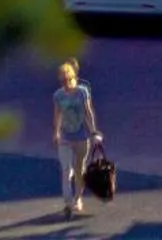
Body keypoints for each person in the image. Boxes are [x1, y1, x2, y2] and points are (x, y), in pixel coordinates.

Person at [50, 59, 101, 218]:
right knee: (66, 170)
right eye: (62, 81)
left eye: (68, 80)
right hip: (65, 138)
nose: (66, 84)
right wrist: (56, 132)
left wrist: (93, 131)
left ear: (74, 78)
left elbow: (88, 112)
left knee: (80, 170)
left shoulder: (82, 92)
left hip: (81, 137)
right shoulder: (58, 95)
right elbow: (57, 115)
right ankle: (68, 203)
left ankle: (78, 198)